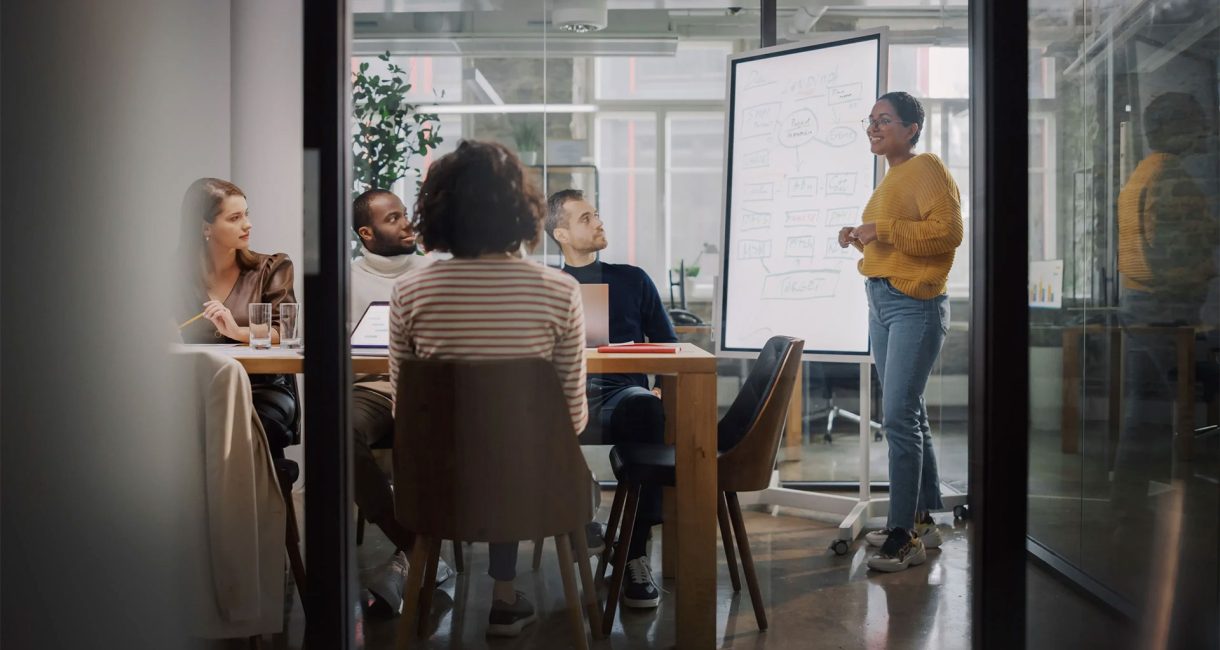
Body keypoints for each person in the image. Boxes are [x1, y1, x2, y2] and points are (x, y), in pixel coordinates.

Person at [388, 140, 588, 637]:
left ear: (436, 211)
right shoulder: (560, 291)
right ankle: (505, 596)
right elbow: (573, 419)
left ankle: (454, 591)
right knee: (513, 445)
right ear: (522, 211)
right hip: (535, 489)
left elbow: (405, 410)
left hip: (440, 488)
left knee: (481, 444)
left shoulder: (409, 292)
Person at [837, 92, 963, 572]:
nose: (873, 127)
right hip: (884, 300)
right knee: (908, 413)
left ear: (912, 127)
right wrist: (860, 236)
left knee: (897, 417)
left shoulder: (926, 166)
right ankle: (923, 522)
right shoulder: (892, 177)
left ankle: (903, 534)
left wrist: (881, 230)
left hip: (916, 303)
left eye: (884, 120)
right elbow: (896, 238)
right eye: (870, 120)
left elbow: (949, 232)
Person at [545, 188, 676, 608]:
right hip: (562, 397)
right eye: (586, 218)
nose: (599, 222)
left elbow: (668, 344)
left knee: (646, 406)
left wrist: (659, 388)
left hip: (623, 395)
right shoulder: (546, 285)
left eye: (597, 215)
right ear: (560, 233)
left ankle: (635, 550)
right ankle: (579, 515)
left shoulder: (631, 279)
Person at [1112, 92, 1217, 530]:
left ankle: (1129, 504)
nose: (1205, 131)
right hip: (1167, 307)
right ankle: (1188, 507)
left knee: (1144, 409)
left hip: (1140, 302)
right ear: (1173, 129)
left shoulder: (1143, 172)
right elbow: (1182, 243)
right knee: (1178, 402)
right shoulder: (1171, 175)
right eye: (1196, 122)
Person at [349, 188, 453, 615]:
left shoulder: (434, 270)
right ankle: (414, 547)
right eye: (393, 219)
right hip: (371, 389)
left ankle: (413, 558)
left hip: (424, 389)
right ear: (367, 233)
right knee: (338, 433)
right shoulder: (346, 277)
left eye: (405, 214)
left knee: (431, 435)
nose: (407, 223)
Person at [178, 178, 299, 458]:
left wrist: (237, 331)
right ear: (205, 228)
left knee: (235, 428)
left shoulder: (272, 267)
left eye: (246, 213)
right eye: (235, 217)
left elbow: (285, 330)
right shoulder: (173, 275)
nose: (248, 224)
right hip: (194, 386)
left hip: (260, 386)